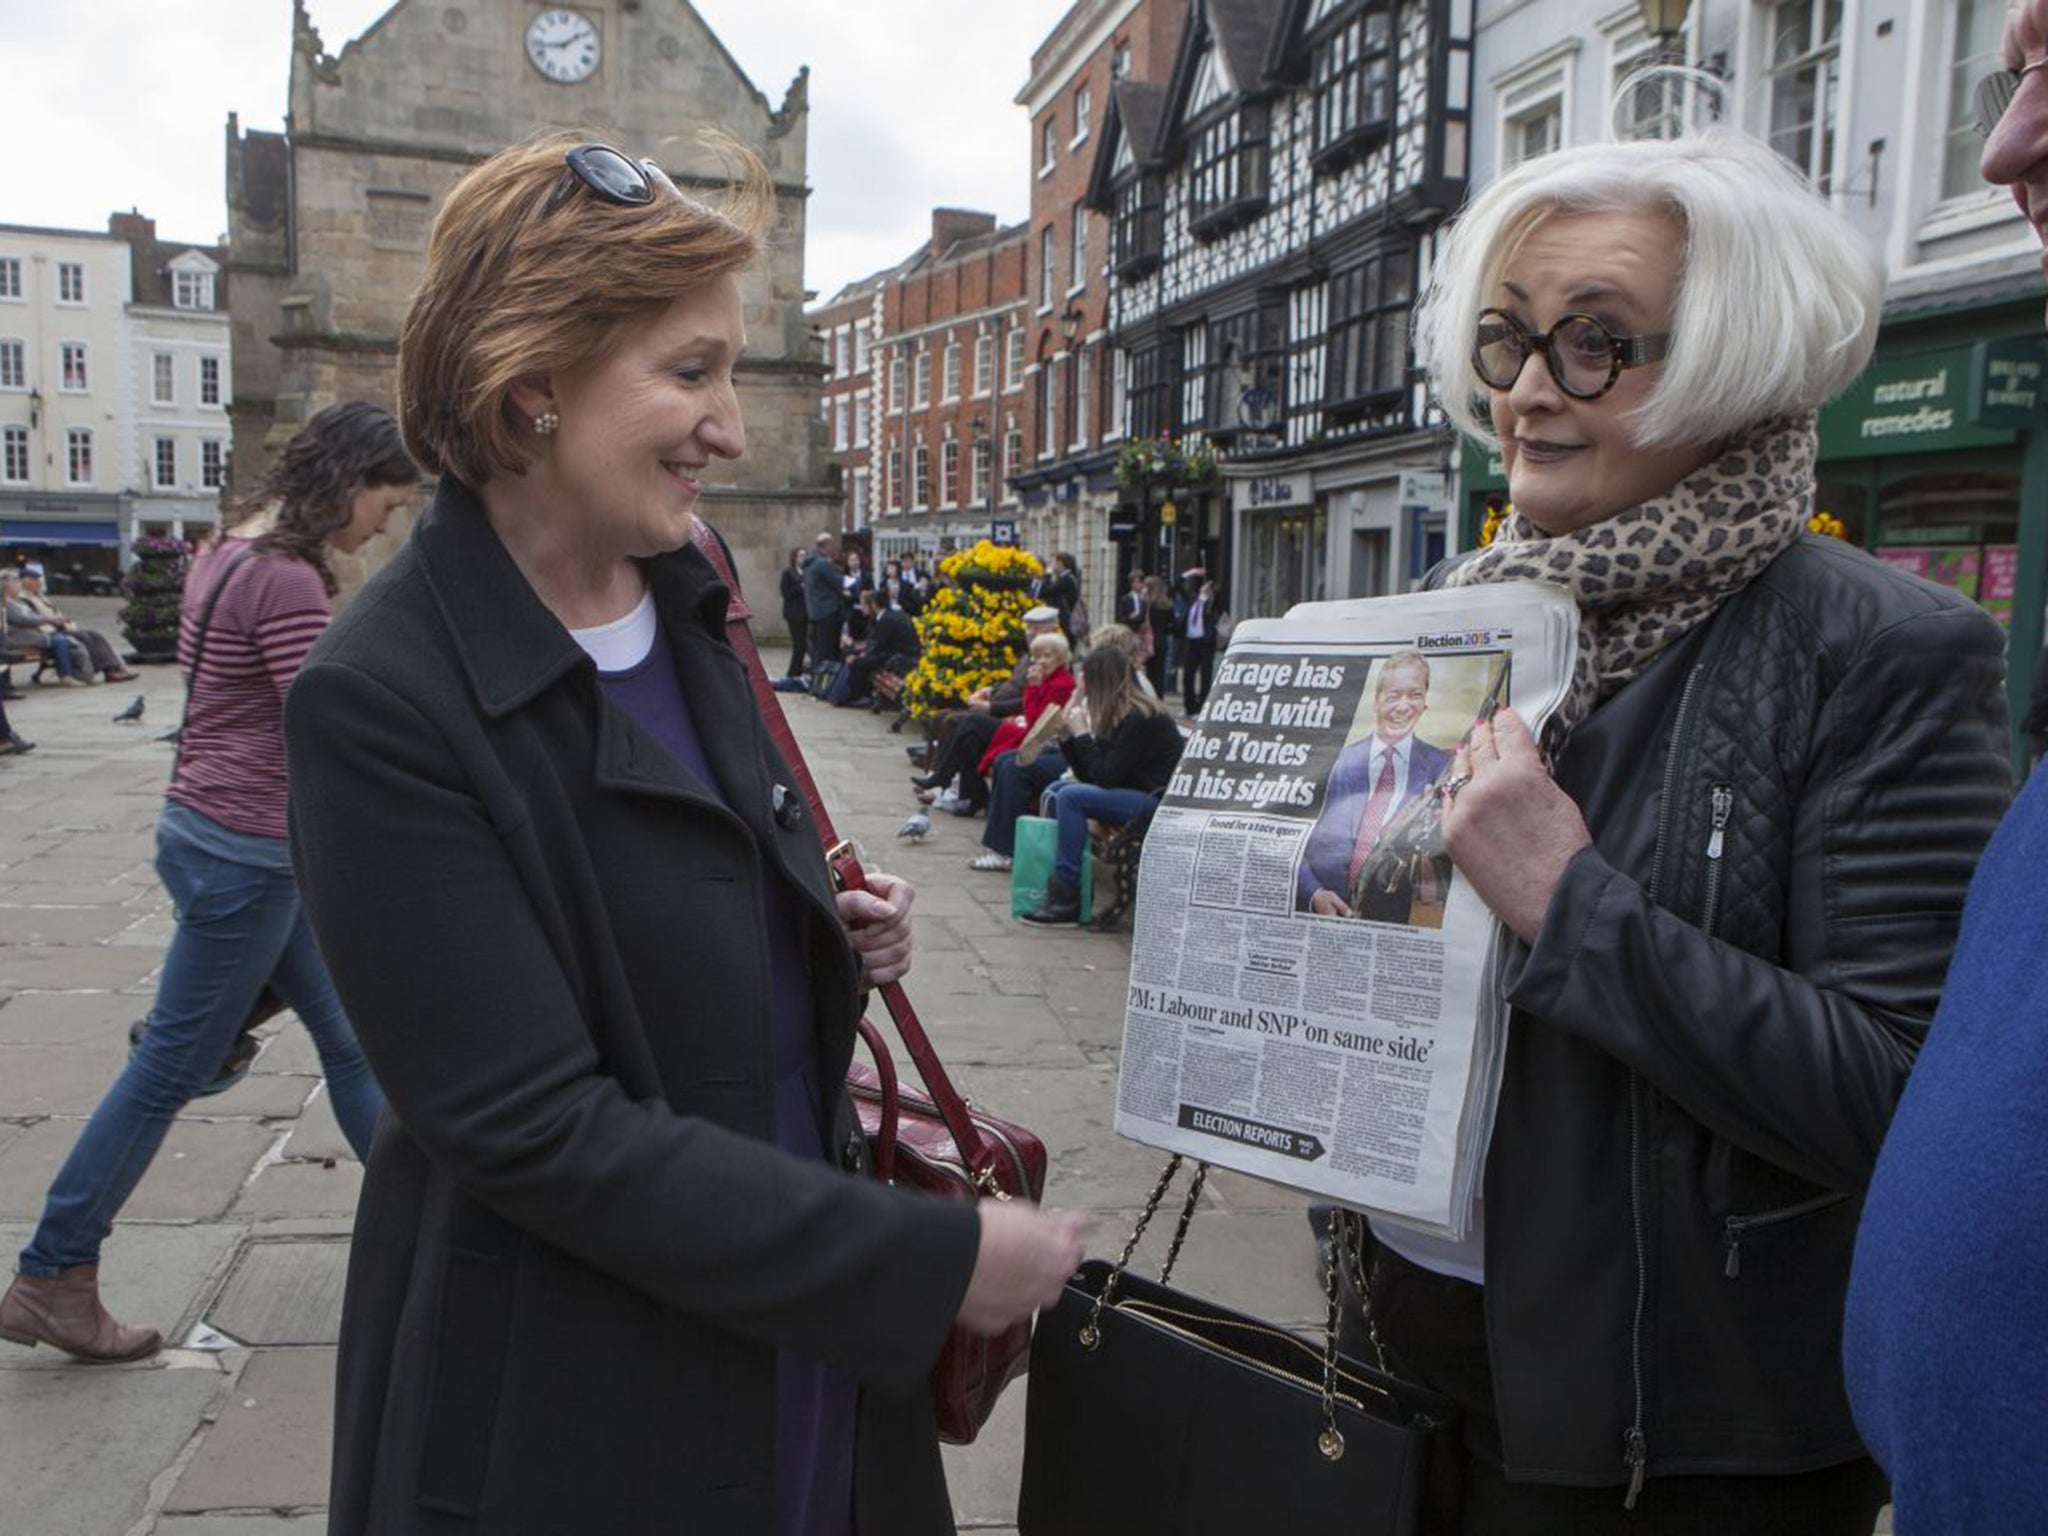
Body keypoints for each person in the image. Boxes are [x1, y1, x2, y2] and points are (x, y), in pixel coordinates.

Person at [278, 136, 1084, 1536]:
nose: (732, 428)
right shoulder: (379, 697)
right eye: (689, 374)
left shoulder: (689, 574)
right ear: (534, 384)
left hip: (801, 1314)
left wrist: (807, 921)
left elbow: (684, 852)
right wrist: (928, 1257)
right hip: (579, 1387)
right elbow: (531, 1127)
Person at [1319, 131, 2012, 1535]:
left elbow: (1891, 1097)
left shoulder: (1881, 650)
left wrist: (1569, 902)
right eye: (1508, 339)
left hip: (1675, 1444)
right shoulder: (1450, 618)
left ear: (1734, 361)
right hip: (1403, 1370)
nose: (1524, 392)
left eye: (1595, 344)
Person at [0, 402, 407, 1364]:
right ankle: (55, 1270)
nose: (384, 527)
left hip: (209, 827)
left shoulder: (228, 549)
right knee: (168, 1071)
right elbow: (327, 732)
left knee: (350, 1042)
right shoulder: (290, 579)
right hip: (250, 849)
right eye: (384, 504)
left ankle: (437, 1230)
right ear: (348, 482)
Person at [1846, 11, 2048, 1529]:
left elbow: (1862, 1068)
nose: (2004, 147)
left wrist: (1573, 902)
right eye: (2015, 70)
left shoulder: (1887, 648)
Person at [1019, 645, 1183, 926]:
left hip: (1157, 802)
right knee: (1060, 792)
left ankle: (1067, 896)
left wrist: (1082, 733)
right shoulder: (1121, 715)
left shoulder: (1140, 717)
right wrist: (1068, 738)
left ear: (1100, 681)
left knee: (1069, 797)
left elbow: (1105, 778)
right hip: (1136, 794)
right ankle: (1069, 887)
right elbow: (1093, 776)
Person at [1298, 652, 1453, 920]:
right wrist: (1314, 892)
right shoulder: (1334, 761)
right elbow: (1287, 838)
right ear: (1376, 702)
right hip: (1316, 913)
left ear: (1425, 703)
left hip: (1388, 921)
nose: (1403, 707)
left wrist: (1441, 826)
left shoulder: (1441, 768)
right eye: (1393, 696)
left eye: (1415, 695)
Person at [912, 604, 1060, 798]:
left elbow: (1029, 700)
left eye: (1036, 627)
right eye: (1028, 627)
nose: (1030, 632)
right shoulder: (1031, 654)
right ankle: (938, 779)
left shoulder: (1051, 657)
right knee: (943, 716)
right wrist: (990, 692)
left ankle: (940, 783)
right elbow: (1014, 684)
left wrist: (991, 707)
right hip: (1002, 709)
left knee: (958, 722)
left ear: (1053, 628)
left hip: (1016, 720)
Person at [949, 631, 1074, 811]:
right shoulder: (1046, 678)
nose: (1041, 661)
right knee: (969, 735)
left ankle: (944, 780)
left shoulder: (1061, 684)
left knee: (971, 722)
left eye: (1047, 656)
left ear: (1060, 658)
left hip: (1037, 738)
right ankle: (974, 797)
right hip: (1022, 727)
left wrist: (1032, 688)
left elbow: (1036, 724)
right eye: (1038, 657)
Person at [15, 562, 138, 681]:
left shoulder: (41, 597)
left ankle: (115, 668)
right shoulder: (23, 599)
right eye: (36, 580)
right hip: (49, 631)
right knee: (82, 636)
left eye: (39, 580)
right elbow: (33, 619)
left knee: (94, 635)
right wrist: (56, 623)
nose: (39, 583)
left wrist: (66, 622)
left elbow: (55, 613)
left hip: (61, 627)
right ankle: (106, 671)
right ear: (26, 582)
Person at [3, 568, 92, 684]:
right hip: (20, 637)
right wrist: (48, 620)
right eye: (15, 583)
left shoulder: (17, 602)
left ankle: (86, 670)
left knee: (69, 638)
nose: (18, 586)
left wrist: (53, 620)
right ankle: (65, 675)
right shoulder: (7, 603)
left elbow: (34, 615)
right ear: (7, 587)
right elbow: (22, 619)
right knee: (60, 640)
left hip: (34, 633)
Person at [839, 589, 919, 707]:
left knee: (857, 663)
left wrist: (859, 656)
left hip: (896, 658)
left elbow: (878, 647)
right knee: (859, 658)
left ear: (874, 604)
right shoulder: (894, 614)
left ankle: (859, 696)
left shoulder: (885, 619)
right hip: (901, 655)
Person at [1178, 576, 1223, 714]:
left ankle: (1203, 705)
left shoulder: (1211, 604)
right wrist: (1191, 573)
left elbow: (1217, 606)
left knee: (1205, 675)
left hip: (1205, 642)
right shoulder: (1193, 601)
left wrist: (1209, 595)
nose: (1205, 590)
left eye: (1208, 589)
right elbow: (1178, 587)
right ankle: (1190, 706)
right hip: (1191, 640)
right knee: (1188, 675)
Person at [803, 531, 845, 671]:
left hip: (814, 611)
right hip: (827, 611)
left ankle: (815, 679)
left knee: (816, 649)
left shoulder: (808, 563)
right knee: (826, 650)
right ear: (827, 545)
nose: (835, 547)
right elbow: (838, 583)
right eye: (833, 544)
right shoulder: (822, 563)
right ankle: (824, 681)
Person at [779, 546, 810, 683]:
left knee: (804, 644)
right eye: (800, 556)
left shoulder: (808, 573)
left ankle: (797, 671)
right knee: (799, 644)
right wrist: (800, 587)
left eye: (804, 555)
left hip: (806, 613)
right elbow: (786, 593)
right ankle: (792, 673)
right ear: (794, 558)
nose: (802, 558)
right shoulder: (788, 573)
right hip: (794, 613)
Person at [1143, 574, 1174, 699]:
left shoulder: (1148, 606)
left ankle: (1148, 696)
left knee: (1148, 671)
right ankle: (1158, 697)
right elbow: (1172, 625)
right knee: (1159, 673)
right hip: (1161, 641)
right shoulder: (1167, 605)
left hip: (1148, 641)